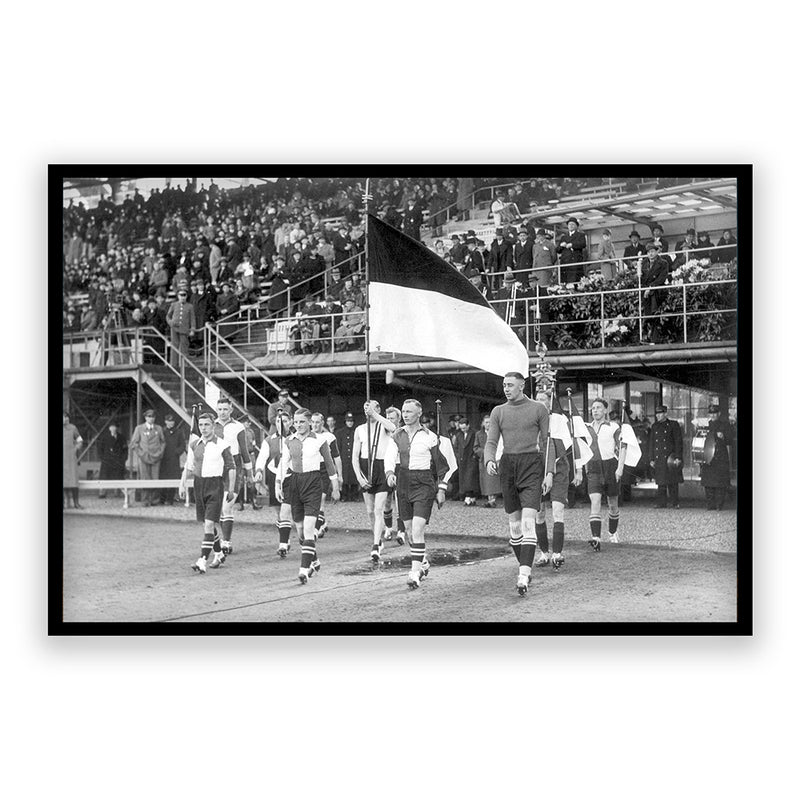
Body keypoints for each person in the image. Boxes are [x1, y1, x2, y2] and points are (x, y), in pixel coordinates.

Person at [484, 372, 551, 596]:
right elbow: (491, 441)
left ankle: (523, 574)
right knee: (515, 526)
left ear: (522, 386)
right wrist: (489, 460)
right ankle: (525, 565)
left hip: (532, 464)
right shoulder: (498, 411)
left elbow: (547, 443)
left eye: (510, 385)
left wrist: (548, 472)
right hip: (508, 465)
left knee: (529, 522)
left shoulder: (539, 409)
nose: (506, 389)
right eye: (504, 385)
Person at [384, 399, 453, 589]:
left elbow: (443, 466)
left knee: (417, 528)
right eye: (404, 411)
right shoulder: (397, 435)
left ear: (419, 414)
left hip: (423, 483)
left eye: (409, 412)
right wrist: (389, 473)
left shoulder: (430, 437)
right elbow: (389, 457)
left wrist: (441, 488)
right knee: (408, 531)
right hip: (403, 482)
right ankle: (422, 563)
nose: (405, 415)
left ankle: (414, 573)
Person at [275, 408, 340, 584]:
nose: (298, 425)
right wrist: (278, 484)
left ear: (310, 422)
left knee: (310, 528)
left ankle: (304, 570)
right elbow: (283, 463)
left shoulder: (320, 440)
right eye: (295, 422)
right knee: (301, 532)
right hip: (294, 484)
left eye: (302, 422)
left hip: (313, 483)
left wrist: (335, 486)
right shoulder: (289, 441)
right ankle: (314, 559)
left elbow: (329, 464)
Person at [179, 412, 236, 574]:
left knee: (210, 524)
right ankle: (218, 554)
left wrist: (231, 489)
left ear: (213, 426)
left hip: (215, 485)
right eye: (201, 425)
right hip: (199, 485)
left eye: (207, 425)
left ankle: (202, 560)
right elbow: (189, 466)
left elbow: (231, 467)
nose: (203, 428)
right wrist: (182, 484)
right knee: (207, 524)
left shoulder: (222, 445)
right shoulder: (194, 444)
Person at [533, 390, 580, 570]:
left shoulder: (559, 420)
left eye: (542, 398)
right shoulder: (532, 420)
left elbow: (571, 446)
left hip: (559, 469)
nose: (539, 401)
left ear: (550, 401)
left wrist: (579, 470)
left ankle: (557, 553)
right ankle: (544, 552)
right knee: (539, 513)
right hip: (538, 471)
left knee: (558, 510)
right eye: (536, 399)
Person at [352, 400, 397, 563]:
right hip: (366, 467)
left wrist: (376, 415)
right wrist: (358, 476)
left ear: (378, 409)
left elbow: (394, 429)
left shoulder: (383, 425)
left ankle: (376, 545)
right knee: (370, 511)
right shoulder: (360, 429)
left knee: (378, 509)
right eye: (365, 407)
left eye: (371, 406)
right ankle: (377, 538)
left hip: (381, 467)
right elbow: (355, 456)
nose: (367, 409)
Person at [214, 396, 255, 554]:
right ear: (216, 410)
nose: (223, 412)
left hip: (235, 467)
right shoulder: (213, 426)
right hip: (217, 467)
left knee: (227, 506)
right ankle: (222, 540)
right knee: (219, 507)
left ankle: (226, 541)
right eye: (220, 409)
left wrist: (249, 474)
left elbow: (245, 452)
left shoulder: (238, 427)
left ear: (231, 410)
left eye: (225, 409)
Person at [585, 398, 627, 551]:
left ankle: (613, 532)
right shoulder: (586, 427)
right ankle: (596, 538)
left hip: (610, 466)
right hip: (594, 467)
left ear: (604, 411)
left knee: (612, 504)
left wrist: (620, 468)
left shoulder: (613, 426)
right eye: (593, 408)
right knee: (595, 501)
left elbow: (623, 447)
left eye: (598, 408)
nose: (595, 410)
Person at [254, 411, 296, 556]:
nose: (281, 424)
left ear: (290, 422)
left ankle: (283, 543)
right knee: (279, 511)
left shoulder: (295, 438)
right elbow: (261, 458)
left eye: (284, 421)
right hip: (274, 475)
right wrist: (259, 471)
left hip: (291, 476)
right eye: (278, 422)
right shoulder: (269, 440)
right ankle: (285, 539)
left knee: (287, 510)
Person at [311, 412, 343, 538]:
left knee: (321, 499)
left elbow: (336, 457)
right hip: (311, 470)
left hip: (325, 469)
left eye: (317, 422)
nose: (315, 425)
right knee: (313, 502)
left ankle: (315, 530)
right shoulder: (307, 437)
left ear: (322, 423)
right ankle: (322, 523)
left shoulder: (329, 437)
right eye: (312, 422)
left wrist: (340, 476)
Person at [647, 404, 684, 508]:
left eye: (660, 413)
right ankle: (661, 503)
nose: (658, 416)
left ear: (665, 414)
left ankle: (674, 502)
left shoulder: (673, 425)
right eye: (657, 414)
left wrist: (678, 457)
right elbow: (651, 443)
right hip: (659, 457)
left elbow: (678, 442)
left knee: (672, 482)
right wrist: (651, 458)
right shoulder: (654, 426)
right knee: (661, 482)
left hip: (670, 458)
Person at [128, 409, 165, 506]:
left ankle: (154, 500)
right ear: (145, 417)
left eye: (152, 417)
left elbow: (163, 442)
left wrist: (160, 452)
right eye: (149, 417)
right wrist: (141, 453)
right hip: (144, 458)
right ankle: (145, 500)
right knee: (145, 478)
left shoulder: (158, 429)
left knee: (155, 478)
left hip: (156, 457)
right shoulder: (139, 429)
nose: (151, 419)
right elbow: (133, 443)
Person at [700, 404, 733, 510]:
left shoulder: (725, 425)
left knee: (720, 483)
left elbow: (730, 440)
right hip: (708, 457)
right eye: (711, 413)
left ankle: (719, 505)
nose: (713, 416)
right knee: (708, 483)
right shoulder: (705, 426)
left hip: (720, 457)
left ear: (719, 414)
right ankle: (710, 505)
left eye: (715, 413)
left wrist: (723, 436)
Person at [158, 413, 186, 505]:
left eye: (172, 421)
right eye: (169, 421)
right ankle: (162, 499)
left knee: (173, 478)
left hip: (174, 460)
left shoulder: (178, 432)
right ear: (165, 422)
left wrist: (176, 452)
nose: (171, 423)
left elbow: (182, 445)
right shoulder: (162, 431)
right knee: (163, 478)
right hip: (163, 459)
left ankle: (170, 499)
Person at [474, 414, 501, 507]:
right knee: (486, 481)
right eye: (486, 422)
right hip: (483, 460)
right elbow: (476, 447)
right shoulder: (478, 434)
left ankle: (493, 499)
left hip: (495, 459)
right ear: (482, 423)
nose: (488, 424)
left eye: (490, 422)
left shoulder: (497, 433)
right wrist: (485, 452)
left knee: (494, 480)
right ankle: (490, 499)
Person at [165, 289, 196, 368]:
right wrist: (170, 322)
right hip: (174, 327)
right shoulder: (174, 305)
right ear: (178, 296)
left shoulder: (190, 306)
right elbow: (168, 316)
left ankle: (183, 364)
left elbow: (192, 319)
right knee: (174, 345)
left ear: (186, 296)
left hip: (184, 329)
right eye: (181, 295)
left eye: (184, 295)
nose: (182, 297)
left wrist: (192, 329)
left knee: (184, 346)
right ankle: (173, 365)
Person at [453, 417, 480, 505]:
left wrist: (474, 456)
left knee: (471, 479)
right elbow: (456, 447)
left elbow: (477, 445)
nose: (463, 430)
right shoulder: (458, 434)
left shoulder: (475, 433)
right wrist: (458, 456)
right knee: (464, 479)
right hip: (462, 460)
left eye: (464, 428)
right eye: (461, 428)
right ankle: (470, 497)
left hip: (471, 458)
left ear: (468, 425)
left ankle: (469, 497)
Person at [97, 420, 127, 498]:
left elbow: (125, 449)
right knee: (104, 477)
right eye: (112, 427)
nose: (113, 428)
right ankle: (102, 493)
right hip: (107, 460)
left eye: (115, 427)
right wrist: (102, 458)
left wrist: (123, 459)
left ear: (117, 428)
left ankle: (117, 492)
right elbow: (100, 449)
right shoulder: (104, 437)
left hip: (118, 460)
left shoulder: (121, 437)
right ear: (109, 428)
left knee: (118, 476)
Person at [63, 411, 84, 509]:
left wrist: (76, 448)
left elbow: (80, 440)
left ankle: (76, 503)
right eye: (63, 417)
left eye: (66, 416)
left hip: (71, 459)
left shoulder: (73, 428)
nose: (65, 419)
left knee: (74, 480)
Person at [556, 218, 587, 284]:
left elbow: (583, 244)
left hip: (575, 263)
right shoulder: (563, 237)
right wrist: (561, 246)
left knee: (575, 281)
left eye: (573, 224)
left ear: (576, 226)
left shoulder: (580, 235)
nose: (571, 226)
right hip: (565, 263)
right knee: (565, 282)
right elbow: (558, 250)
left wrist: (572, 245)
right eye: (569, 224)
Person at [336, 411, 358, 501]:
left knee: (354, 476)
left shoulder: (356, 431)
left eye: (351, 421)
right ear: (345, 421)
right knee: (344, 477)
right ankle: (344, 496)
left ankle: (354, 495)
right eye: (348, 421)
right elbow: (338, 447)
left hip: (353, 458)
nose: (350, 423)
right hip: (344, 458)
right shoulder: (340, 432)